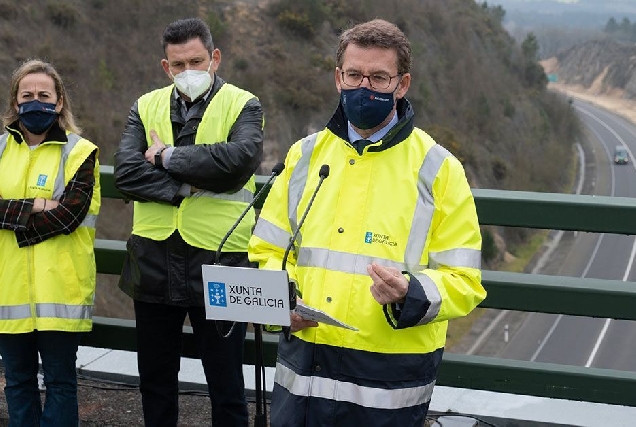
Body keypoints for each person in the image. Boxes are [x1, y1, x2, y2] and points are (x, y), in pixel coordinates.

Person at [248, 19, 486, 426]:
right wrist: (280, 304)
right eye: (354, 74)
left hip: (388, 385)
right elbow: (268, 250)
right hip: (303, 372)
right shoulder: (303, 156)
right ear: (338, 78)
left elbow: (464, 281)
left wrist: (411, 292)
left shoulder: (439, 169)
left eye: (379, 77)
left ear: (402, 84)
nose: (365, 86)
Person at [114, 18, 263, 427]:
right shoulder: (145, 106)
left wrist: (165, 159)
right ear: (166, 67)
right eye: (178, 65)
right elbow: (126, 172)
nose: (187, 72)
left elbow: (235, 164)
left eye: (196, 61)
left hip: (221, 260)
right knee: (155, 381)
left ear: (214, 58)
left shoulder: (244, 104)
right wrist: (185, 187)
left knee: (226, 385)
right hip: (153, 260)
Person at [0, 59, 101, 426]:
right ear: (15, 102)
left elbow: (69, 216)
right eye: (27, 95)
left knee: (61, 382)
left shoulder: (80, 152)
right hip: (7, 293)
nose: (35, 102)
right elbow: (50, 214)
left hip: (60, 291)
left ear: (59, 102)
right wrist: (35, 206)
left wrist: (8, 219)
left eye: (44, 95)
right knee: (17, 382)